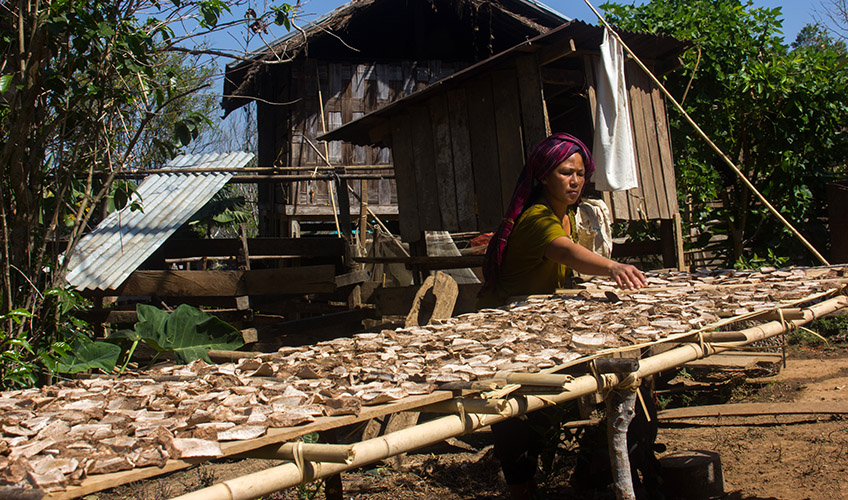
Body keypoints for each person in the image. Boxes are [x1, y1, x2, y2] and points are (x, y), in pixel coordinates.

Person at [477, 133, 647, 499]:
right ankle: (522, 487)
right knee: (514, 412)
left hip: (535, 324)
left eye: (580, 173)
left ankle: (583, 474)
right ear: (542, 176)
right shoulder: (538, 218)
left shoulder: (566, 213)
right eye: (565, 173)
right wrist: (613, 267)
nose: (575, 181)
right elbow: (567, 252)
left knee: (543, 409)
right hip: (504, 328)